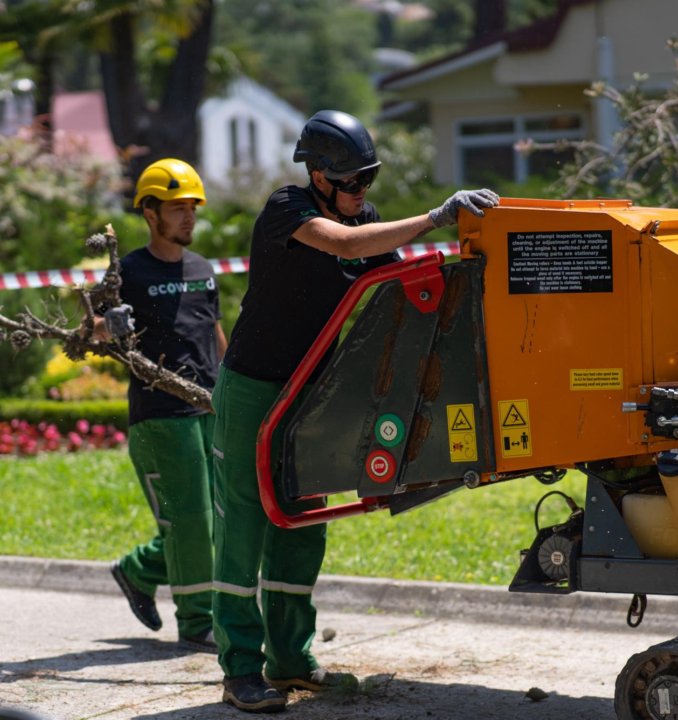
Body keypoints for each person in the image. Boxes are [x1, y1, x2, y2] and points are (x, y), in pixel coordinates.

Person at [212, 109, 499, 713]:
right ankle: (240, 669)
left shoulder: (363, 218)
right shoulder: (287, 210)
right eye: (351, 183)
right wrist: (435, 216)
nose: (361, 194)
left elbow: (401, 282)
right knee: (244, 524)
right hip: (254, 387)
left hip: (311, 392)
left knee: (303, 521)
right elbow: (343, 244)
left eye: (368, 181)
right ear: (317, 175)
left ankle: (289, 659)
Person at [96, 158, 228, 652]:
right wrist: (109, 322)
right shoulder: (127, 270)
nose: (189, 217)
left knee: (213, 518)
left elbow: (214, 333)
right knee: (191, 520)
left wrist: (234, 387)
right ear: (150, 213)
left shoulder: (202, 269)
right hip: (159, 415)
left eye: (192, 207)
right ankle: (197, 623)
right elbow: (86, 332)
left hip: (209, 407)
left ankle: (138, 569)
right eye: (177, 208)